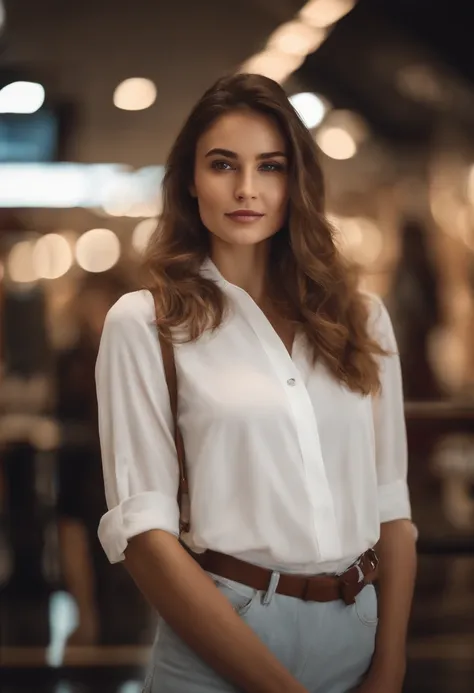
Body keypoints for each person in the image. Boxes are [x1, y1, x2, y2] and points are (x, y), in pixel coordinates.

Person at [95, 73, 417, 693]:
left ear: (295, 182)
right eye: (223, 165)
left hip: (360, 634)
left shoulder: (360, 317)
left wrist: (392, 665)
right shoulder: (146, 322)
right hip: (221, 640)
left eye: (270, 166)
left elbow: (392, 510)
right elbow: (144, 537)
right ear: (190, 180)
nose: (247, 189)